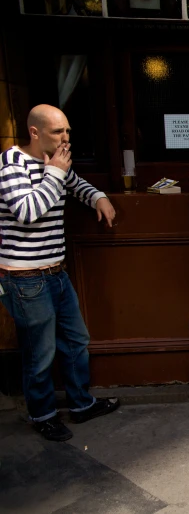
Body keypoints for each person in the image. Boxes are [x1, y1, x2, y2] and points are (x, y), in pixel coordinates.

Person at [0, 105, 120, 441]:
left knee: (75, 340)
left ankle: (82, 404)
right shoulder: (11, 164)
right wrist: (53, 174)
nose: (65, 139)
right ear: (35, 132)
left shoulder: (57, 162)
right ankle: (43, 415)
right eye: (58, 132)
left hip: (56, 273)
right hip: (25, 278)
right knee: (40, 352)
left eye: (67, 131)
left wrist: (98, 196)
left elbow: (76, 185)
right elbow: (26, 212)